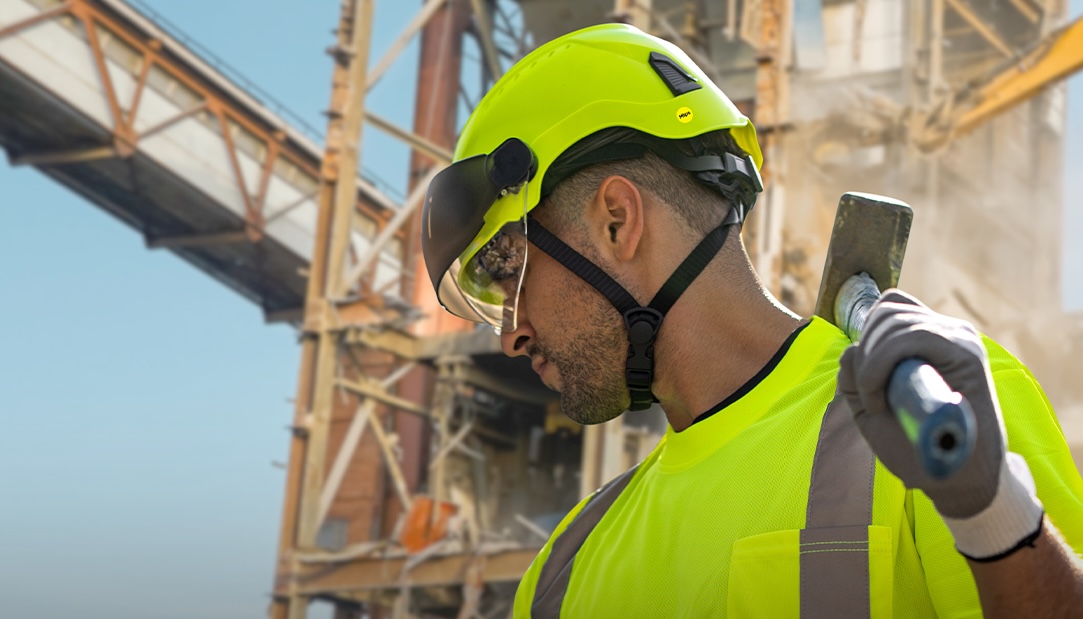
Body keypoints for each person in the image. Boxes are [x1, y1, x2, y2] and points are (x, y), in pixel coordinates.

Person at [420, 23, 1083, 617]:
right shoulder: (559, 574)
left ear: (617, 221)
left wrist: (994, 517)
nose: (511, 332)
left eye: (509, 272)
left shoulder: (936, 413)